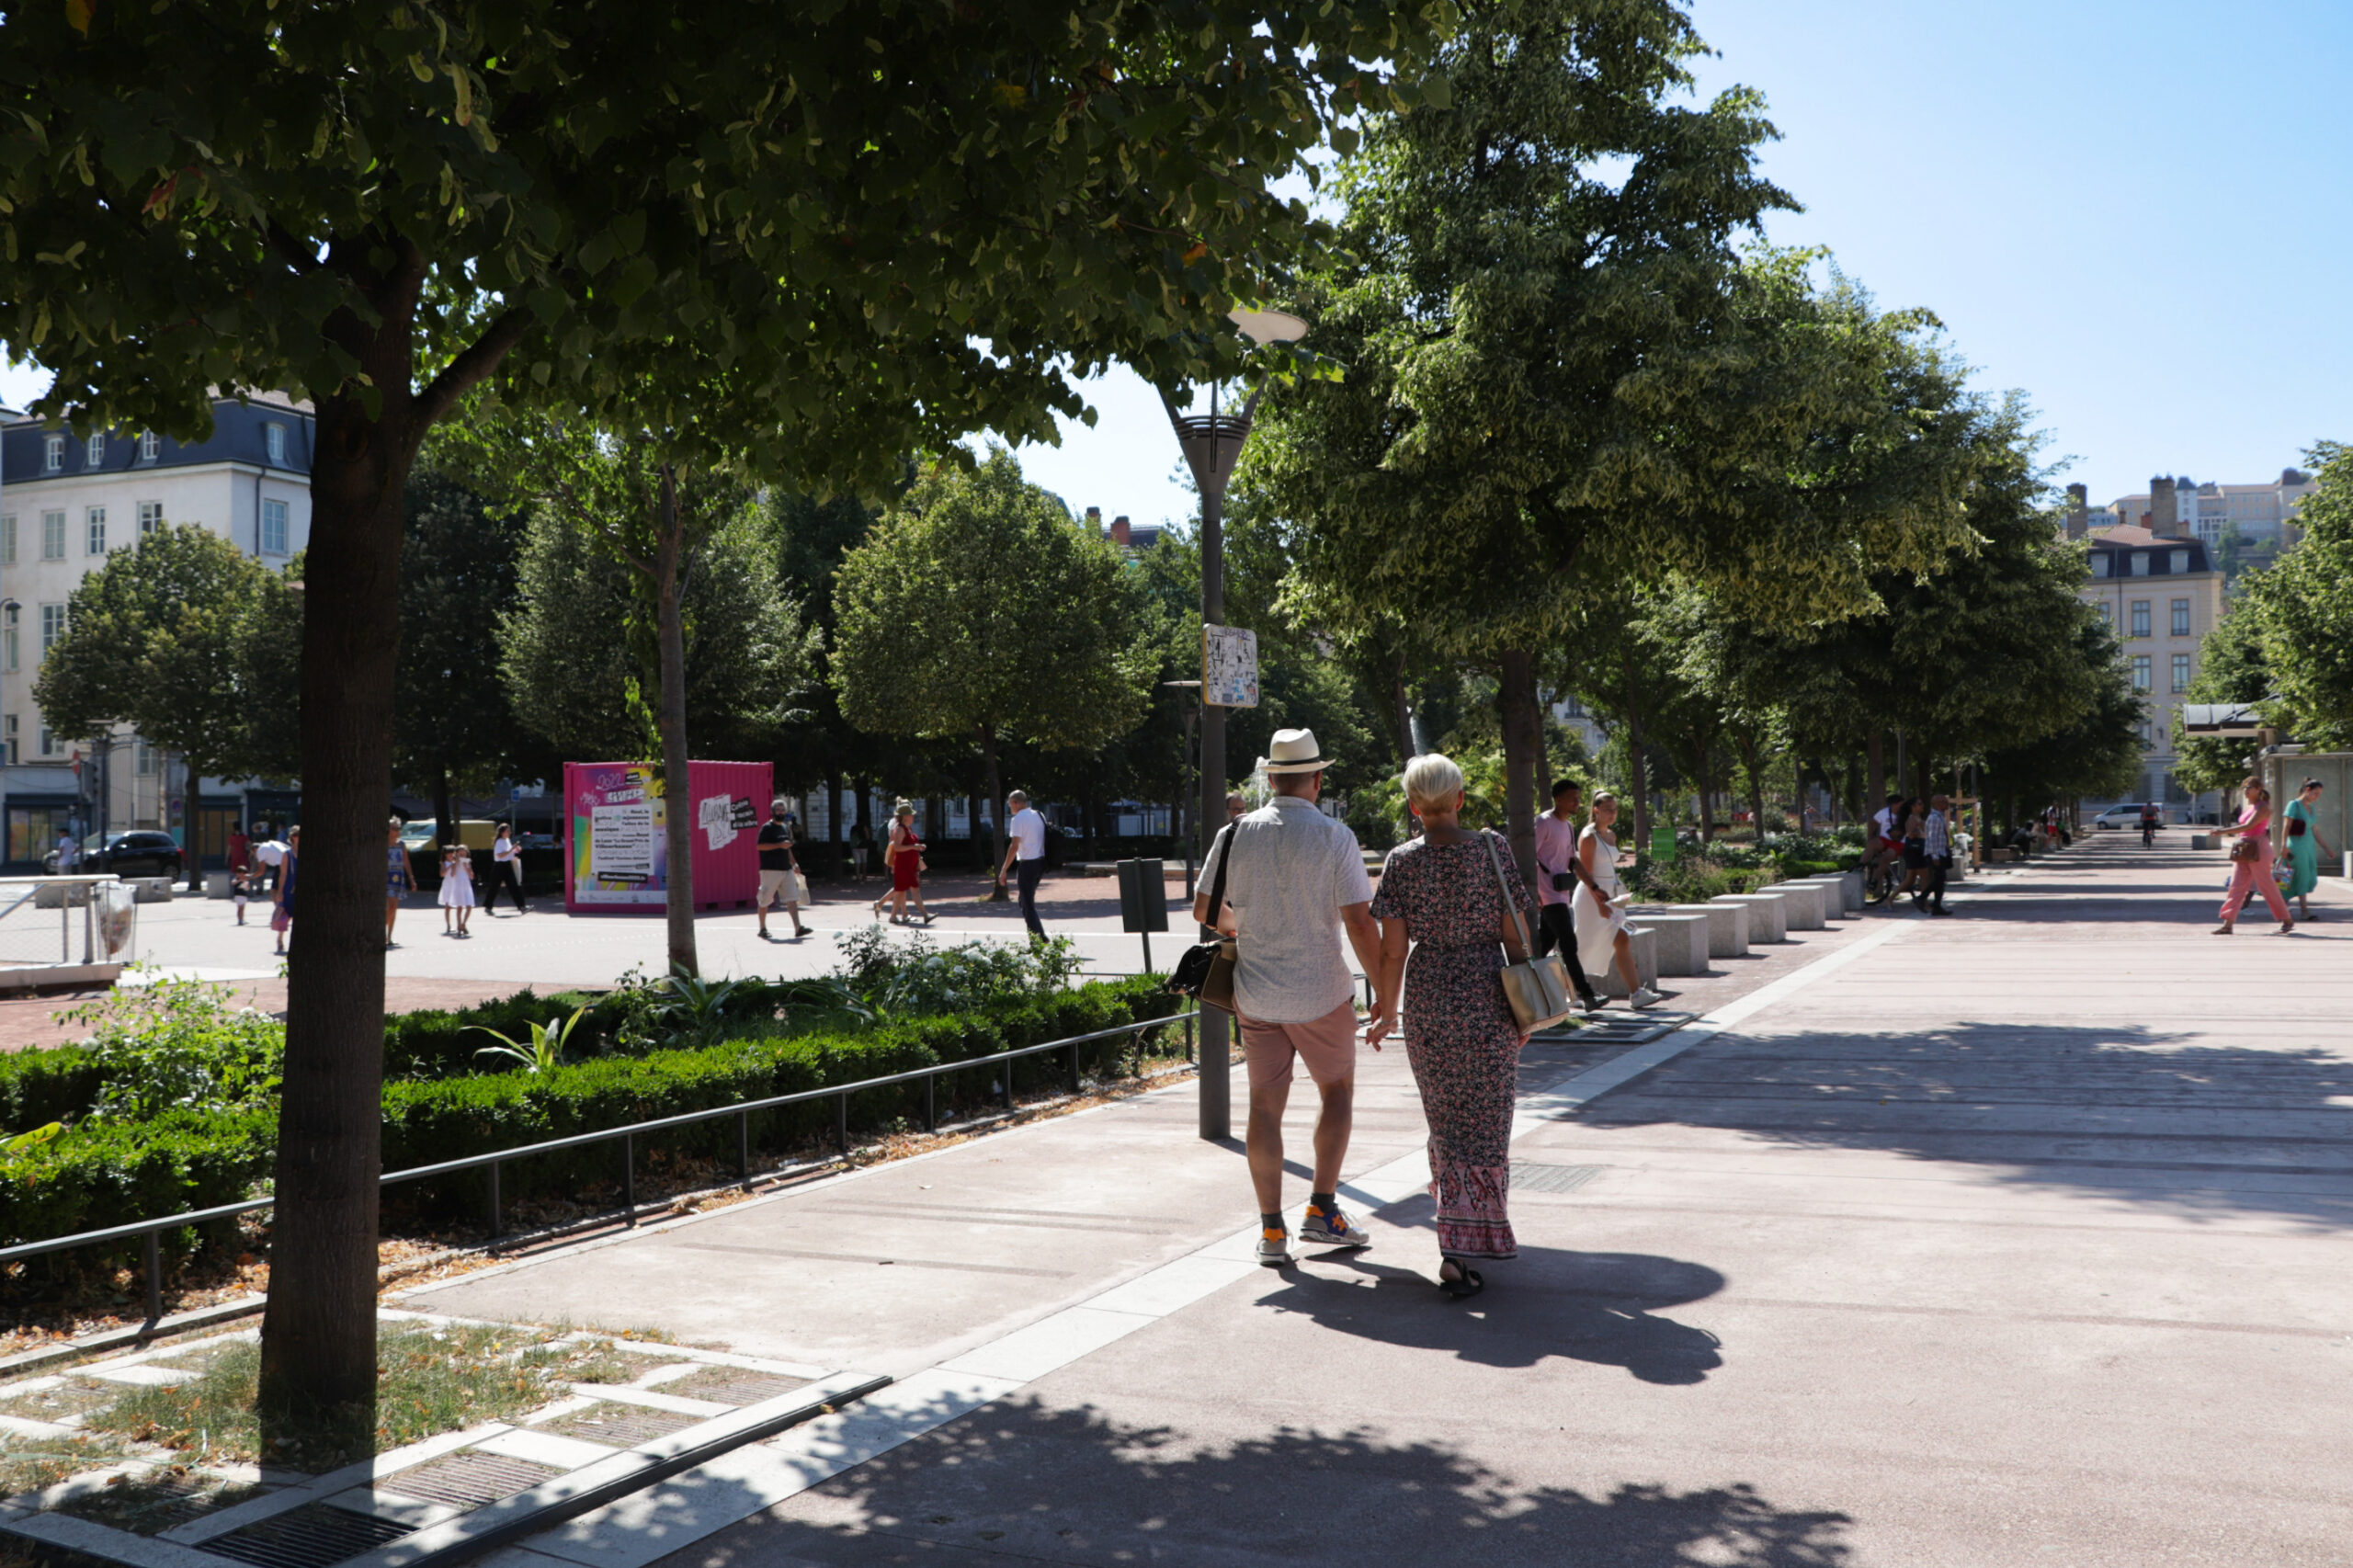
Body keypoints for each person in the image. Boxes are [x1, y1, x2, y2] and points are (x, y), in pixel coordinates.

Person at [1194, 728, 1381, 1267]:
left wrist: (1244, 930)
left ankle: (1272, 1233)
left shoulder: (1234, 834)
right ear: (1317, 780)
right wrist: (1386, 996)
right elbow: (1359, 923)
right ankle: (1322, 1209)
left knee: (1264, 1107)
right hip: (1322, 993)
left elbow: (1205, 911)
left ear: (1270, 779)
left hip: (1256, 994)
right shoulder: (1334, 837)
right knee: (1337, 1093)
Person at [1366, 753, 1539, 1301]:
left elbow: (1393, 953)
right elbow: (1516, 934)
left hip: (1430, 996)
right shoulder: (1493, 849)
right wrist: (1525, 1010)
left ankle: (1453, 1243)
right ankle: (1471, 1240)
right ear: (1459, 798)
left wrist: (1385, 1010)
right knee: (1488, 1120)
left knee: (1444, 1119)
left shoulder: (1400, 862)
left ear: (1414, 807)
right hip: (1489, 993)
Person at [1575, 791, 1663, 1009]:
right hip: (1592, 896)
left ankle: (1636, 993)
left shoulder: (1611, 835)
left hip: (1611, 895)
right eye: (1607, 810)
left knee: (1622, 939)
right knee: (1581, 945)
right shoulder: (1588, 836)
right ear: (1596, 810)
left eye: (1615, 809)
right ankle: (1565, 989)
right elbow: (1586, 874)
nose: (1612, 814)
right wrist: (1600, 904)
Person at [1529, 778, 1602, 1016]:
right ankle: (1586, 994)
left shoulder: (1568, 827)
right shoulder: (1542, 823)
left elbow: (1572, 860)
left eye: (1579, 798)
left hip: (1561, 895)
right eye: (1573, 798)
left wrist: (1593, 885)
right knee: (1569, 943)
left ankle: (1523, 986)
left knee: (1543, 946)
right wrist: (1535, 894)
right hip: (1547, 896)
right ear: (1558, 798)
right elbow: (1528, 858)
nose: (1577, 803)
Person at [2214, 777, 2292, 936]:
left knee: (2266, 886)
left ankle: (2287, 920)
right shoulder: (2251, 806)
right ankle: (2228, 924)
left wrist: (2222, 831)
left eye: (2250, 787)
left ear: (2259, 789)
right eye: (2245, 788)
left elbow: (2249, 826)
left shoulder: (2263, 807)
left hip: (2259, 848)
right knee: (2236, 885)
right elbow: (2245, 828)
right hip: (2244, 848)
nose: (2246, 791)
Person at [2279, 778, 2333, 922]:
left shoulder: (2312, 808)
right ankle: (2302, 911)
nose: (2317, 797)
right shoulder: (2294, 805)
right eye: (2315, 793)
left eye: (2319, 794)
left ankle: (2283, 909)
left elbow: (2315, 830)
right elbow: (2286, 826)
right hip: (2296, 846)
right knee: (2292, 876)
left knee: (2300, 875)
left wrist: (2326, 848)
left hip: (2308, 846)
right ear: (2307, 790)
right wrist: (2283, 846)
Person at [756, 799, 811, 940]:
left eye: (782, 810)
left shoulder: (785, 828)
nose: (780, 812)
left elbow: (788, 848)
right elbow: (760, 846)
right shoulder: (767, 828)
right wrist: (779, 845)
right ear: (773, 811)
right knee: (765, 900)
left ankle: (798, 928)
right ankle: (762, 928)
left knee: (792, 899)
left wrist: (794, 864)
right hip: (770, 870)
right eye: (778, 810)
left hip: (786, 870)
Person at [873, 799, 933, 926]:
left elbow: (908, 844)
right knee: (908, 889)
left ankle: (891, 914)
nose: (913, 815)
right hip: (903, 864)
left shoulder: (907, 828)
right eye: (911, 813)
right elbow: (896, 847)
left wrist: (917, 846)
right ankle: (925, 915)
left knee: (900, 890)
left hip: (909, 864)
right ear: (905, 816)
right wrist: (914, 847)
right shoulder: (900, 829)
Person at [1000, 789, 1049, 938]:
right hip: (1041, 862)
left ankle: (1038, 940)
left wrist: (1003, 870)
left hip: (1027, 864)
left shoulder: (1018, 819)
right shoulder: (1039, 815)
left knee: (1027, 904)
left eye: (1010, 804)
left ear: (1015, 803)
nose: (1010, 807)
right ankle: (1039, 935)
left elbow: (1014, 846)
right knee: (1024, 901)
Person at [1917, 794, 1954, 915]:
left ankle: (1937, 906)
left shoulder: (1940, 817)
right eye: (1944, 802)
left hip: (1941, 852)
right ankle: (1921, 898)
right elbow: (1931, 838)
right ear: (1937, 804)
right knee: (1939, 879)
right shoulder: (1934, 818)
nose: (1947, 804)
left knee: (1940, 880)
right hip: (1936, 853)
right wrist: (1935, 856)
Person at [384, 816, 418, 949]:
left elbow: (406, 861)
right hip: (386, 876)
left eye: (399, 828)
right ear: (388, 829)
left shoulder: (401, 844)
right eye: (395, 828)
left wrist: (411, 878)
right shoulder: (383, 843)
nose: (398, 831)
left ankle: (389, 936)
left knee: (394, 908)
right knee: (389, 907)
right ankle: (382, 931)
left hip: (398, 877)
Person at [483, 823, 528, 915]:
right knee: (494, 887)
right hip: (499, 866)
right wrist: (512, 849)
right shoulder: (499, 841)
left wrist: (516, 850)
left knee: (514, 886)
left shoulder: (507, 840)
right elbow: (500, 855)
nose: (509, 832)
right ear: (502, 832)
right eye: (507, 831)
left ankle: (522, 906)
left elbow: (508, 852)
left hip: (507, 865)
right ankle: (488, 906)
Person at [438, 840, 476, 936]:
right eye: (460, 854)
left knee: (469, 906)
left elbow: (471, 876)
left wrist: (466, 867)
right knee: (459, 907)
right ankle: (458, 925)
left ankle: (463, 923)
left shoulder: (468, 862)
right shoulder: (454, 862)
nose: (462, 855)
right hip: (458, 885)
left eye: (464, 853)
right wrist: (455, 863)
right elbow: (452, 874)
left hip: (466, 885)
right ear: (457, 854)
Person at [271, 826, 299, 956]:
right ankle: (280, 938)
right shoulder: (287, 854)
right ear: (293, 838)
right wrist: (280, 892)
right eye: (297, 835)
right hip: (289, 888)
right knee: (286, 915)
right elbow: (282, 874)